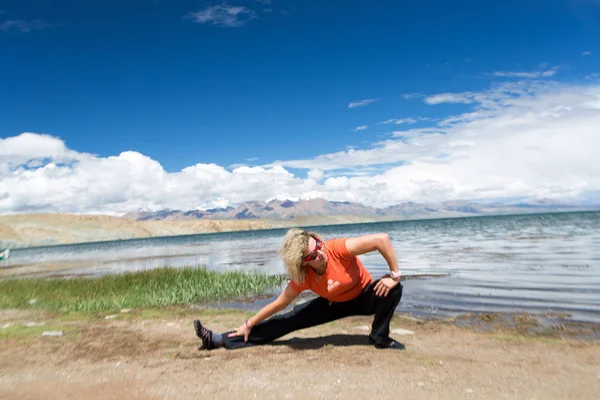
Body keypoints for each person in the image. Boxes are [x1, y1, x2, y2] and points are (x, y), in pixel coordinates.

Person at [194, 228, 404, 350]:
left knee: (394, 289)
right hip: (333, 304)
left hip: (364, 295)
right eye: (313, 255)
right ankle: (219, 339)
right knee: (288, 319)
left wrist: (394, 275)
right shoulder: (304, 278)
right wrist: (249, 323)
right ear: (303, 263)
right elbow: (279, 303)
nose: (320, 253)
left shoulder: (338, 248)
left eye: (318, 245)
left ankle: (379, 338)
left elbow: (381, 240)